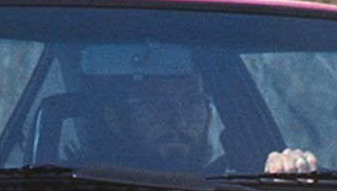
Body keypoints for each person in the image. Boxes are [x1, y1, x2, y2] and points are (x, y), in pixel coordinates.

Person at [93, 68, 317, 175]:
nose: (178, 121)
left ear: (208, 117)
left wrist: (287, 173)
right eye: (156, 103)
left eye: (192, 103)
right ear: (116, 120)